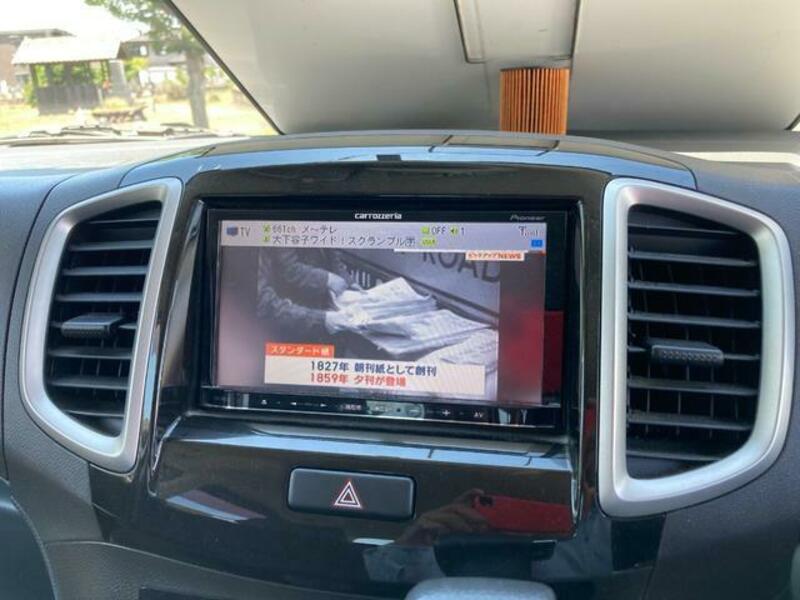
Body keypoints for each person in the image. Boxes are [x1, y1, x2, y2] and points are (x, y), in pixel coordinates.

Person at [256, 248, 359, 338]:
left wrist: (348, 281)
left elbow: (332, 255)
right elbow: (289, 269)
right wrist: (327, 279)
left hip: (320, 308)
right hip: (295, 310)